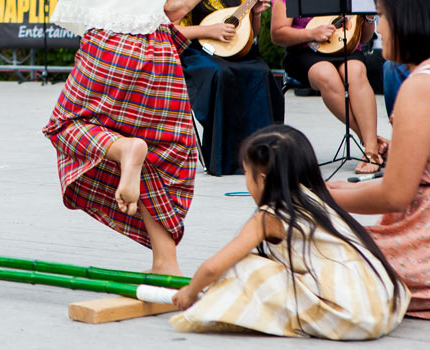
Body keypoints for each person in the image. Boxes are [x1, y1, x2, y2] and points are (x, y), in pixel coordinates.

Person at [171, 125, 409, 339]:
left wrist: (190, 293)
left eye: (247, 174)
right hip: (388, 300)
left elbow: (214, 267)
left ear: (262, 179)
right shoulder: (316, 197)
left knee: (243, 267)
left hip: (355, 315)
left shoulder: (269, 216)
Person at [43, 0, 202, 276]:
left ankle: (123, 148)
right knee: (161, 150)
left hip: (110, 46)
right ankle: (166, 262)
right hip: (160, 50)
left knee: (65, 126)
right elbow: (176, 8)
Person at [328, 0, 430, 320]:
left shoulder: (420, 86)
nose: (379, 28)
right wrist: (341, 190)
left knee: (299, 252)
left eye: (381, 17)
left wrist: (319, 196)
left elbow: (396, 196)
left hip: (421, 241)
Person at [271, 0, 384, 174]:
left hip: (345, 47)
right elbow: (277, 34)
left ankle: (371, 150)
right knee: (327, 74)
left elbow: (362, 38)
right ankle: (372, 144)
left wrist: (368, 19)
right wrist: (311, 34)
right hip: (305, 51)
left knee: (356, 71)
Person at [174, 0, 284, 175]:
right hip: (197, 50)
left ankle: (264, 155)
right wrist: (208, 30)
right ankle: (223, 158)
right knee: (221, 73)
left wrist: (255, 14)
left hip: (234, 48)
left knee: (261, 72)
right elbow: (171, 30)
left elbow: (248, 34)